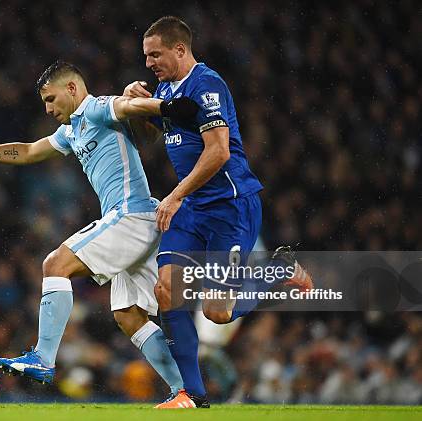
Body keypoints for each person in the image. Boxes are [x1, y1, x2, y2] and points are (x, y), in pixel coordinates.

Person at [0, 61, 199, 403]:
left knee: (55, 264)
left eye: (51, 99)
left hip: (131, 216)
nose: (48, 109)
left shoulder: (96, 109)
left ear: (72, 89)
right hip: (138, 221)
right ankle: (183, 392)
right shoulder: (72, 130)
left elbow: (126, 105)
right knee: (128, 316)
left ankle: (43, 358)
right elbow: (29, 151)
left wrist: (165, 107)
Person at [123, 16, 312, 408]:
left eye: (155, 54)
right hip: (193, 209)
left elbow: (219, 151)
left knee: (217, 313)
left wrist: (174, 195)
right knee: (167, 291)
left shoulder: (206, 84)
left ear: (180, 49)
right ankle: (190, 393)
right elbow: (151, 135)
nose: (149, 63)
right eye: (145, 56)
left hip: (230, 208)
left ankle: (278, 270)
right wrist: (138, 104)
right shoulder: (165, 89)